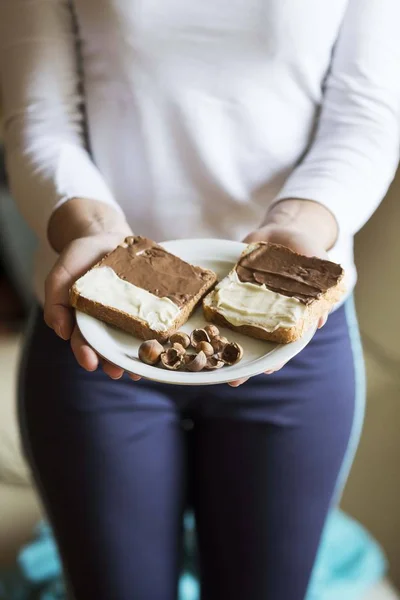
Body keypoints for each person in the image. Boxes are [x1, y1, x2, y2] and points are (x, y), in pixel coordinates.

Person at [1, 1, 399, 599]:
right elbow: (38, 117)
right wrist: (90, 226)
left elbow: (368, 116)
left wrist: (298, 226)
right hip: (92, 330)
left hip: (292, 336)